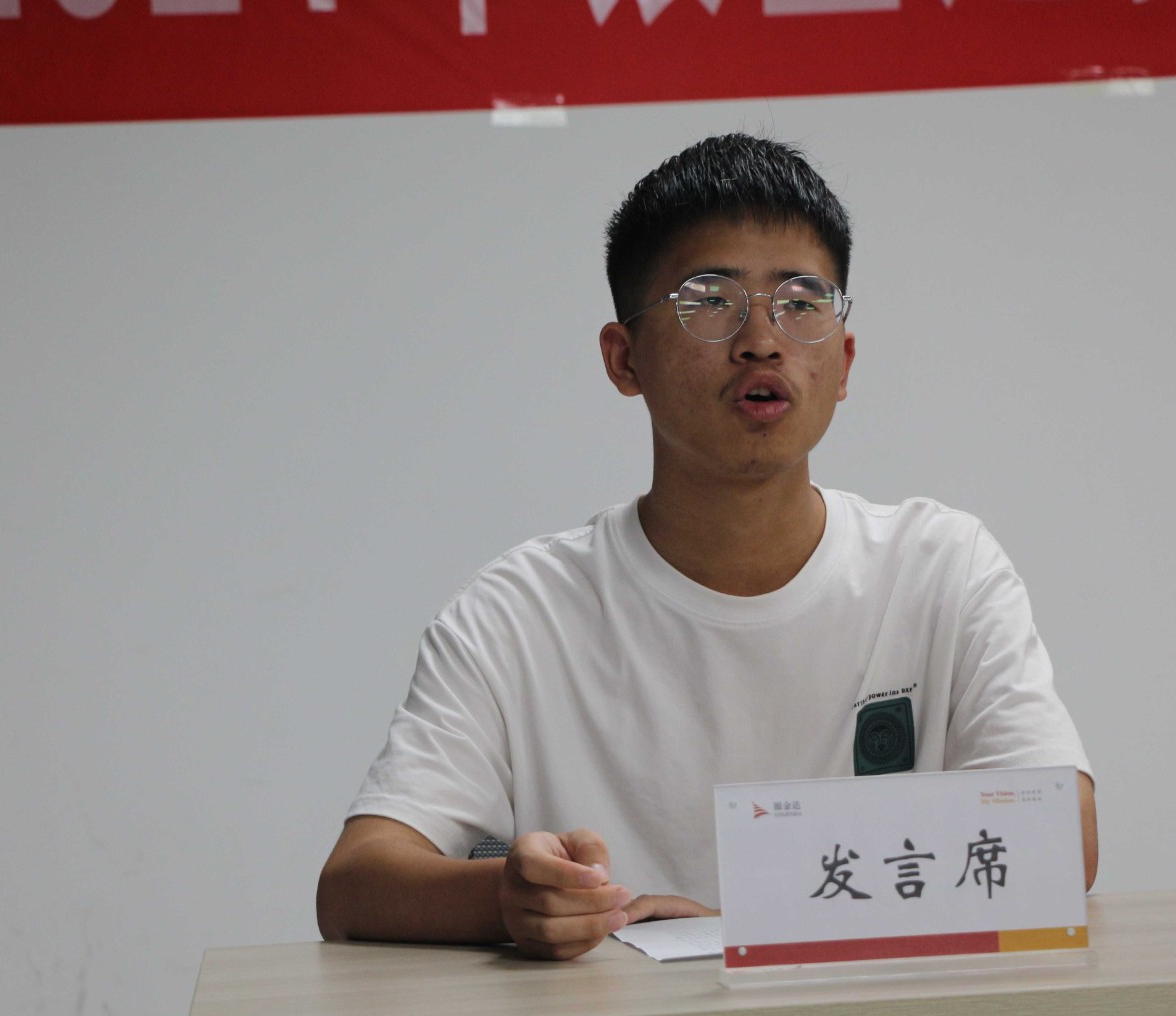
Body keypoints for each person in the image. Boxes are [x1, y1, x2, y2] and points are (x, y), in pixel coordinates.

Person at [316, 133, 1097, 961]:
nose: (762, 340)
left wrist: (751, 919)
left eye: (802, 302)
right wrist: (509, 899)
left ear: (843, 362)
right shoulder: (516, 615)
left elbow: (1062, 840)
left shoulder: (942, 568)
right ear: (625, 360)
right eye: (710, 300)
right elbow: (355, 883)